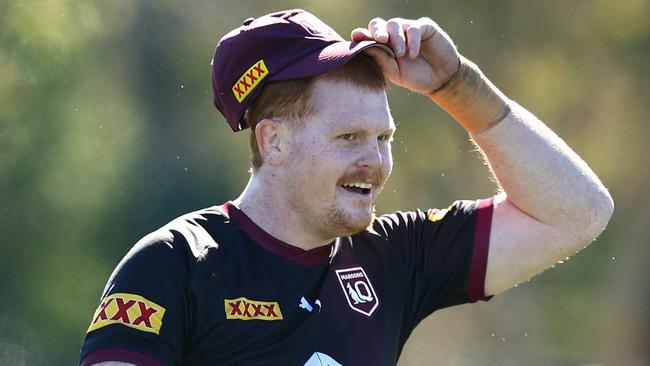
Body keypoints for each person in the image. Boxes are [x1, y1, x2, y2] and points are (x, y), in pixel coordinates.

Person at [79, 9, 613, 366]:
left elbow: (578, 212)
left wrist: (460, 86)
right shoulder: (175, 262)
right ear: (274, 143)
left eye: (384, 137)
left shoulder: (394, 255)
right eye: (349, 137)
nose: (375, 162)